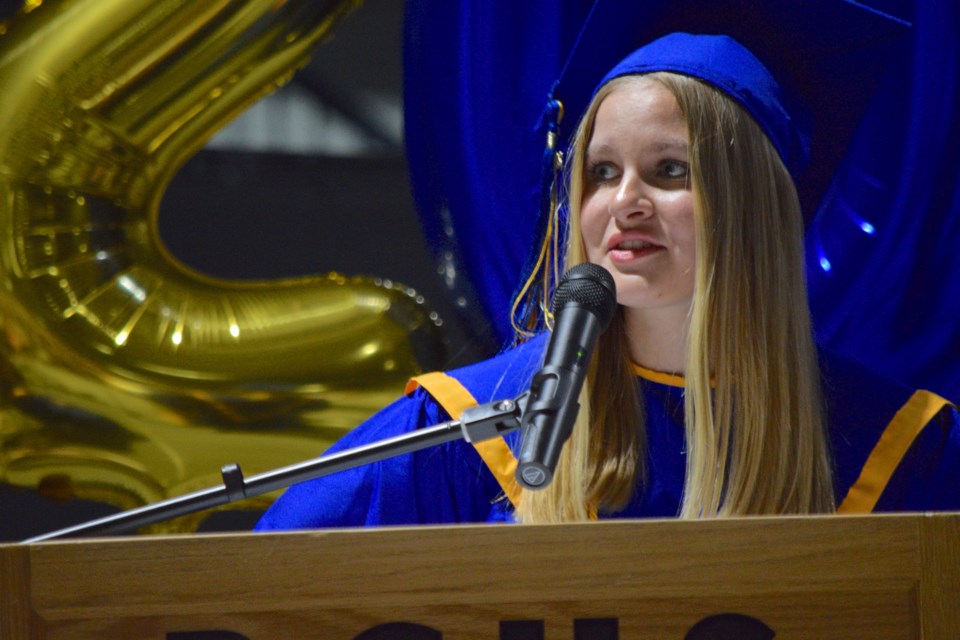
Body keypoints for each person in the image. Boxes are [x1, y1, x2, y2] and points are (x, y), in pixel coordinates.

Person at [255, 31, 959, 531]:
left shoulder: (895, 448)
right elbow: (272, 573)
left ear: (754, 210)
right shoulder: (474, 429)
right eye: (601, 171)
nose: (625, 201)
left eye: (670, 170)